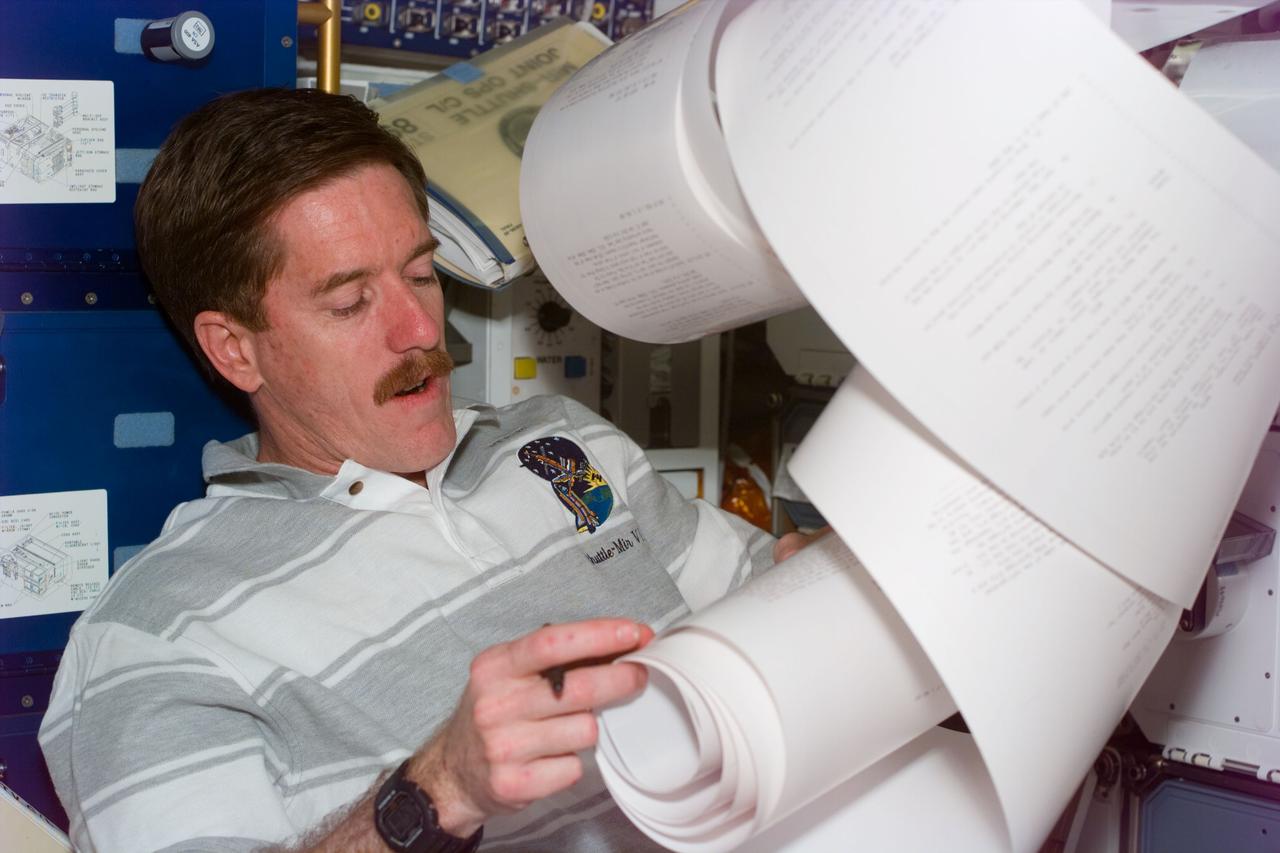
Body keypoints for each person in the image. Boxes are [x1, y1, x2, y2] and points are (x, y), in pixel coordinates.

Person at [38, 88, 814, 852]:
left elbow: (771, 599)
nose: (417, 330)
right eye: (349, 303)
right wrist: (438, 792)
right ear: (234, 349)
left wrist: (827, 582)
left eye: (419, 274)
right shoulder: (155, 636)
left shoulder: (561, 443)